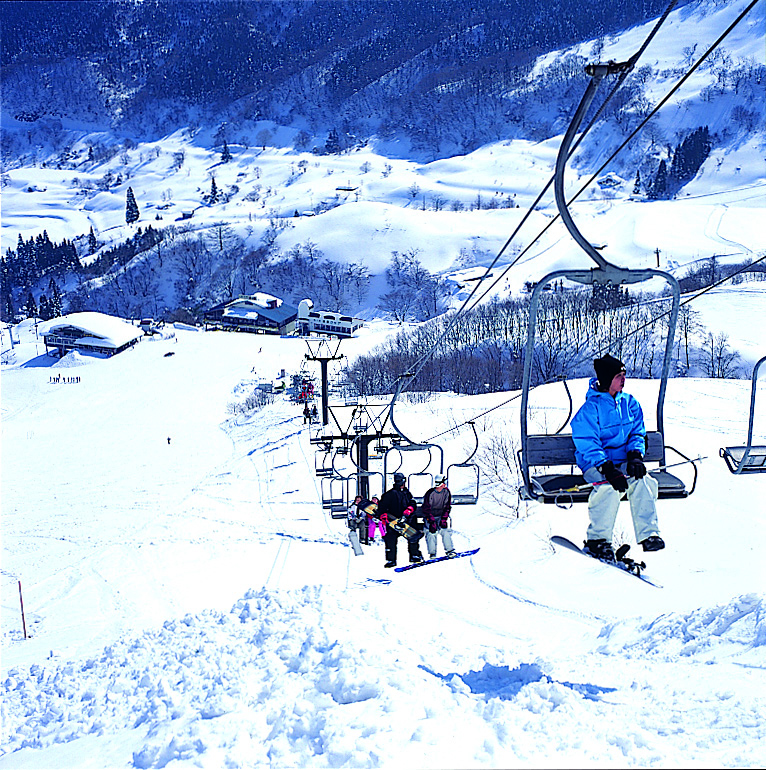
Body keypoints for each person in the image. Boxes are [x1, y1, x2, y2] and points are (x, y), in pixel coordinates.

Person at [571, 353, 665, 562]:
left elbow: (637, 432)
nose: (623, 379)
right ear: (606, 380)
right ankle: (598, 541)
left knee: (643, 482)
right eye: (618, 376)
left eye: (624, 374)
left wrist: (635, 457)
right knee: (608, 486)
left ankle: (649, 534)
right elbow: (587, 442)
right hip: (597, 465)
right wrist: (606, 467)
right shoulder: (591, 408)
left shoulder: (629, 403)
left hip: (623, 463)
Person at [376, 473, 424, 568]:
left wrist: (410, 508)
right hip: (393, 520)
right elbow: (382, 506)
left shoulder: (407, 493)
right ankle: (391, 559)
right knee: (390, 539)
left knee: (413, 536)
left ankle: (414, 555)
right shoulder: (389, 494)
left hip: (407, 519)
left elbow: (412, 502)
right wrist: (383, 514)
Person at [422, 474, 455, 559]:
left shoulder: (446, 492)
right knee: (431, 533)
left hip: (440, 516)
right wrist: (431, 521)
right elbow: (426, 508)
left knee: (445, 531)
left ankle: (450, 550)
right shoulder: (430, 493)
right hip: (430, 517)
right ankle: (432, 553)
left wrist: (444, 519)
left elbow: (447, 507)